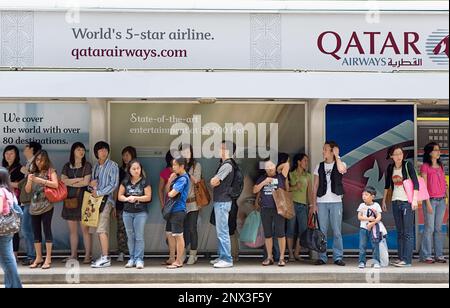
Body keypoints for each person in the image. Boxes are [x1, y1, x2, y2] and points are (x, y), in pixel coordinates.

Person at [382, 145, 419, 268]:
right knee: (400, 232)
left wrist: (414, 200)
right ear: (391, 156)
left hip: (406, 202)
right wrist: (383, 201)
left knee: (407, 232)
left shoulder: (407, 165)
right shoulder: (390, 167)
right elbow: (387, 185)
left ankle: (407, 260)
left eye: (400, 153)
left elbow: (416, 183)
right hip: (395, 201)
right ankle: (401, 258)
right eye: (396, 154)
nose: (398, 156)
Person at [312, 141, 347, 266]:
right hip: (321, 202)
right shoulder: (319, 166)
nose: (323, 152)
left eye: (325, 149)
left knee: (337, 231)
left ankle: (338, 257)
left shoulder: (340, 163)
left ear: (332, 151)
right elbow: (315, 185)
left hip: (336, 202)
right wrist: (314, 204)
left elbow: (342, 170)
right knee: (322, 231)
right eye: (323, 149)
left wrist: (337, 156)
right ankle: (322, 256)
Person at [25, 150, 59, 270]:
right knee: (36, 232)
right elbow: (28, 190)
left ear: (46, 160)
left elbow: (55, 184)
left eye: (42, 159)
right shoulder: (32, 172)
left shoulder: (51, 170)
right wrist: (29, 180)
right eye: (37, 159)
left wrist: (41, 181)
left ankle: (48, 258)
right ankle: (38, 257)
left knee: (47, 230)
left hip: (47, 205)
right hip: (34, 206)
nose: (39, 162)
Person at [60, 142, 93, 264]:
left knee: (85, 230)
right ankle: (73, 254)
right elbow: (62, 181)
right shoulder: (67, 166)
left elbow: (86, 182)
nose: (81, 151)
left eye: (83, 149)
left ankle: (87, 255)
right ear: (73, 151)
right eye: (78, 149)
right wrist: (78, 179)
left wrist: (72, 181)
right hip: (69, 201)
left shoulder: (87, 165)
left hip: (83, 200)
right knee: (72, 230)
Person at [254, 159, 290, 267]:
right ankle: (269, 257)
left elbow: (287, 165)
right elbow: (255, 190)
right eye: (267, 167)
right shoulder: (262, 178)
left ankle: (282, 258)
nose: (269, 169)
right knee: (268, 234)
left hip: (279, 208)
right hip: (265, 208)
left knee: (280, 233)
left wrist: (278, 168)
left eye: (271, 166)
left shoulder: (280, 176)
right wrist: (264, 182)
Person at [90, 141, 119, 268]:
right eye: (100, 150)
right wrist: (92, 186)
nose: (103, 152)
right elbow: (91, 184)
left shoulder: (113, 165)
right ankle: (103, 256)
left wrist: (99, 192)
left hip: (106, 200)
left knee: (101, 229)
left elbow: (114, 185)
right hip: (95, 202)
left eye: (105, 150)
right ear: (96, 153)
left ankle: (105, 258)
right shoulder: (95, 166)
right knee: (99, 229)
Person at [118, 159, 151, 269]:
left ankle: (139, 259)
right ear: (129, 170)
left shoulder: (145, 181)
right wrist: (127, 199)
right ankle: (131, 258)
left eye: (138, 168)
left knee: (139, 236)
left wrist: (136, 197)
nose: (137, 170)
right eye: (134, 169)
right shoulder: (125, 181)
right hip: (127, 212)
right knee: (130, 236)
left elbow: (148, 197)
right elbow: (120, 196)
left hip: (140, 212)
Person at [420, 142, 448, 264]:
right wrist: (428, 203)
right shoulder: (425, 166)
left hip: (441, 200)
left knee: (438, 228)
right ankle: (426, 255)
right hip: (430, 200)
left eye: (438, 150)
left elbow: (444, 183)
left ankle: (439, 255)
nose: (438, 152)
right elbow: (424, 186)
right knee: (429, 228)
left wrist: (447, 198)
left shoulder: (441, 166)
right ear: (430, 152)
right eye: (436, 150)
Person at [210, 141, 237, 269]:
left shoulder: (227, 165)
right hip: (222, 201)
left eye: (221, 148)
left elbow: (214, 182)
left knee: (223, 231)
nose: (219, 150)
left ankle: (227, 259)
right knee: (221, 231)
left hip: (222, 202)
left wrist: (213, 179)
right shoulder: (225, 164)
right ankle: (222, 256)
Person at [18, 142, 41, 266]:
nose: (24, 149)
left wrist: (25, 170)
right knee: (29, 228)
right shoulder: (29, 163)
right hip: (27, 201)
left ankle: (32, 255)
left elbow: (36, 178)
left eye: (26, 147)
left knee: (27, 229)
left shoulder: (34, 163)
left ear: (32, 149)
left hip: (31, 201)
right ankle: (32, 255)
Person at [165, 157, 190, 269]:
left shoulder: (183, 179)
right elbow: (167, 191)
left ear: (182, 166)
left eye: (175, 165)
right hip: (172, 210)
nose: (173, 167)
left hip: (178, 210)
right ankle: (172, 258)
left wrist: (171, 183)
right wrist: (170, 181)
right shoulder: (177, 177)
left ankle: (179, 260)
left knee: (178, 236)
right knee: (170, 234)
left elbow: (171, 194)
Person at [287, 153, 313, 261]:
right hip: (291, 204)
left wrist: (311, 205)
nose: (307, 163)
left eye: (307, 161)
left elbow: (309, 192)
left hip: (303, 206)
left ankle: (297, 253)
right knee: (290, 230)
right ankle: (290, 254)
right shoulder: (291, 174)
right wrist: (295, 187)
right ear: (299, 162)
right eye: (305, 160)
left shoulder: (308, 176)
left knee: (303, 230)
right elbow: (286, 189)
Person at [179, 144, 202, 265]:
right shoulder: (178, 165)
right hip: (181, 203)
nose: (186, 153)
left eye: (188, 151)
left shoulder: (196, 165)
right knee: (181, 229)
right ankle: (182, 253)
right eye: (183, 151)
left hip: (193, 202)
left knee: (192, 228)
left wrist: (186, 172)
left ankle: (193, 254)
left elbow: (197, 180)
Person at [0, 167, 23, 288]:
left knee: (6, 261)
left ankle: (15, 286)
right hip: (8, 229)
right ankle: (11, 285)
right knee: (8, 259)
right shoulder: (9, 191)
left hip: (1, 229)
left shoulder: (0, 191)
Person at [2, 145, 24, 261]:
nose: (8, 155)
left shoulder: (20, 168)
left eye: (11, 153)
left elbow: (22, 185)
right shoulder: (3, 168)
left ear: (16, 155)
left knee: (14, 229)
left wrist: (8, 184)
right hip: (2, 203)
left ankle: (14, 255)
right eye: (6, 153)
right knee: (3, 230)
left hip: (16, 202)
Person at [115, 146, 137, 262]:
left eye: (128, 155)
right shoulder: (119, 170)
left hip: (135, 205)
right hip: (121, 204)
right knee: (121, 229)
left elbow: (144, 186)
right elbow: (116, 188)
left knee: (133, 230)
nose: (125, 157)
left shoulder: (138, 169)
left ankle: (133, 253)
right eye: (124, 155)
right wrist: (114, 205)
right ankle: (121, 252)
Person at [357, 186, 382, 269]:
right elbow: (359, 217)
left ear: (372, 196)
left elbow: (379, 217)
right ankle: (361, 262)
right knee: (362, 245)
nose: (364, 196)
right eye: (363, 194)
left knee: (375, 245)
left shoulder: (376, 205)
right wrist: (368, 219)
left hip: (374, 229)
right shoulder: (361, 205)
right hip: (363, 228)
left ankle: (376, 262)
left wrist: (373, 223)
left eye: (366, 195)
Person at [159, 150, 176, 266]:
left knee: (178, 232)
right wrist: (162, 204)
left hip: (179, 206)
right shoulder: (165, 172)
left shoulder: (181, 172)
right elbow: (160, 189)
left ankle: (177, 256)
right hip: (169, 206)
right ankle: (172, 256)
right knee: (169, 232)